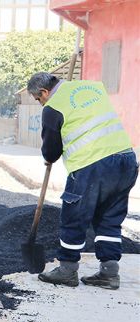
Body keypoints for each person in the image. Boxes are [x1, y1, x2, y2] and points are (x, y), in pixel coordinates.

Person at [27, 72, 138, 290]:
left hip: (92, 165)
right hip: (126, 160)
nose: (41, 104)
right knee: (109, 219)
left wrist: (48, 158)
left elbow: (51, 150)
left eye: (38, 100)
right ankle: (109, 273)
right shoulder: (93, 87)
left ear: (44, 92)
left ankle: (67, 271)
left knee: (74, 217)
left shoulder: (53, 107)